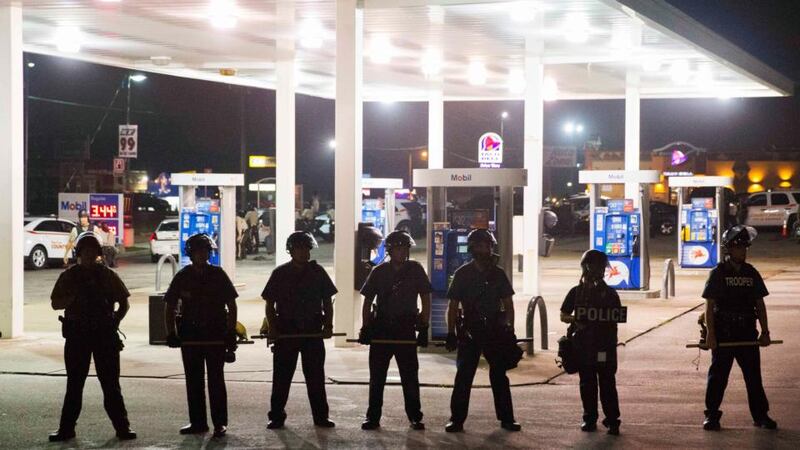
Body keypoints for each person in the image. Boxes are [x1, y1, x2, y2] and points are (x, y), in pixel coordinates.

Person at [49, 231, 136, 442]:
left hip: (104, 335)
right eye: (85, 252)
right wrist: (73, 298)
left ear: (97, 253)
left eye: (92, 252)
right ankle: (66, 429)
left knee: (111, 385)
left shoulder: (107, 275)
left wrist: (115, 321)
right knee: (74, 385)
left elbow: (124, 302)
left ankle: (122, 427)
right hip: (78, 335)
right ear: (79, 253)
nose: (89, 256)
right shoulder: (69, 276)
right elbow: (55, 303)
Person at [444, 229, 521, 433]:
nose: (485, 249)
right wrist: (451, 332)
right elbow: (452, 306)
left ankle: (507, 418)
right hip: (470, 330)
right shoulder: (462, 273)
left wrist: (510, 329)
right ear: (472, 248)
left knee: (499, 376)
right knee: (464, 376)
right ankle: (457, 419)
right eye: (480, 245)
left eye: (488, 245)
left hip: (494, 330)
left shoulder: (498, 274)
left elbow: (508, 303)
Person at [701, 225, 776, 431]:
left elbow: (759, 305)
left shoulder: (751, 273)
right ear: (729, 249)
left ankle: (761, 416)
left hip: (747, 333)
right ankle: (712, 416)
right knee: (718, 378)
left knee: (753, 378)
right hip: (724, 334)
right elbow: (709, 305)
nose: (743, 252)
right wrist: (710, 335)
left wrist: (765, 332)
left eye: (745, 248)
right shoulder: (717, 273)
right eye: (739, 247)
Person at [164, 233, 239, 438]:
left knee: (216, 381)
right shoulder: (183, 276)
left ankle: (220, 423)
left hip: (215, 335)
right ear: (191, 253)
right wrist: (172, 333)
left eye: (205, 251)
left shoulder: (218, 274)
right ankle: (198, 422)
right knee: (193, 381)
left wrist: (231, 332)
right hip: (191, 337)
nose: (202, 255)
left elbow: (231, 305)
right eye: (198, 251)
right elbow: (170, 305)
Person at [262, 231, 337, 429]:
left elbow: (327, 303)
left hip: (312, 331)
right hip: (286, 332)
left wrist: (328, 325)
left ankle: (321, 417)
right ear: (291, 251)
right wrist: (273, 328)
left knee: (315, 378)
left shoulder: (318, 272)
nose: (304, 252)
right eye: (299, 248)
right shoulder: (280, 273)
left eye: (306, 248)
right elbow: (270, 305)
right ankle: (276, 416)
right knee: (281, 378)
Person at [359, 230, 431, 431]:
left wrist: (424, 326)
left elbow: (425, 298)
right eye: (399, 248)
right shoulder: (379, 272)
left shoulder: (415, 269)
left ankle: (415, 416)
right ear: (390, 250)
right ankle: (373, 417)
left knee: (410, 377)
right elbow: (367, 301)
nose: (403, 252)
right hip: (382, 329)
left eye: (405, 248)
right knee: (377, 377)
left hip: (405, 328)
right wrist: (366, 327)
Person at [560, 249, 622, 435]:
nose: (600, 270)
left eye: (602, 267)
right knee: (587, 383)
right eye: (597, 266)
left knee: (607, 383)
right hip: (583, 345)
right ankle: (590, 418)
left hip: (604, 346)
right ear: (587, 267)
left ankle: (612, 420)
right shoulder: (576, 292)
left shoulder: (610, 294)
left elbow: (617, 317)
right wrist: (577, 320)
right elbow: (564, 315)